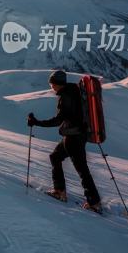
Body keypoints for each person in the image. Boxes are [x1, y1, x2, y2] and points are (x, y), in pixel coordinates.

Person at [28, 70, 102, 213]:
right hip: (78, 135)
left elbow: (58, 120)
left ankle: (93, 202)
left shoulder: (66, 96)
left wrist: (37, 122)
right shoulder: (75, 91)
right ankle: (60, 191)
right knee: (55, 157)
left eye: (51, 84)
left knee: (82, 169)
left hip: (73, 138)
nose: (51, 87)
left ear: (56, 83)